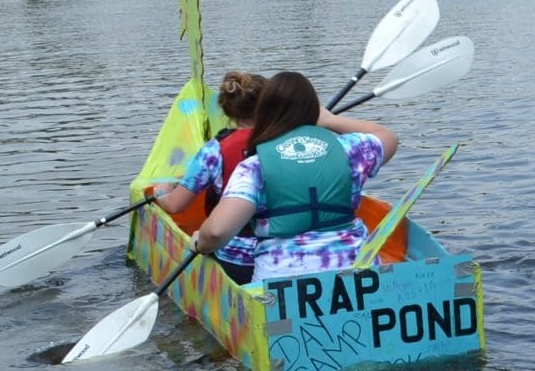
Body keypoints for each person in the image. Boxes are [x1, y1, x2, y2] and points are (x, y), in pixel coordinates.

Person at [192, 71, 399, 282]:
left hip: (282, 282)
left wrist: (201, 242)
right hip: (359, 273)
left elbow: (217, 232)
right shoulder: (351, 151)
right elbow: (388, 137)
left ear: (264, 112)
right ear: (314, 110)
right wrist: (331, 120)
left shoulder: (254, 166)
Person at [151, 69, 267, 284]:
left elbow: (175, 206)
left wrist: (161, 191)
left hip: (238, 257)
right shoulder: (287, 140)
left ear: (227, 110)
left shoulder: (213, 152)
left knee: (198, 235)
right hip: (286, 250)